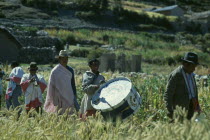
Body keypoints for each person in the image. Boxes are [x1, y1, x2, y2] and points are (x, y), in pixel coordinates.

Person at [164, 52, 201, 120]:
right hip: (180, 110)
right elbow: (168, 94)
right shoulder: (176, 75)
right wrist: (169, 112)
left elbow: (193, 93)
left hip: (191, 108)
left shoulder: (191, 75)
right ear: (185, 64)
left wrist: (197, 107)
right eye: (192, 66)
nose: (194, 69)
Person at [44, 50, 79, 114]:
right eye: (63, 58)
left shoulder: (70, 70)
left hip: (69, 96)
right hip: (58, 98)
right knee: (60, 115)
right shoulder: (55, 71)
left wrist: (74, 95)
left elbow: (72, 84)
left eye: (66, 58)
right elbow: (51, 85)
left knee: (69, 115)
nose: (65, 60)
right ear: (60, 59)